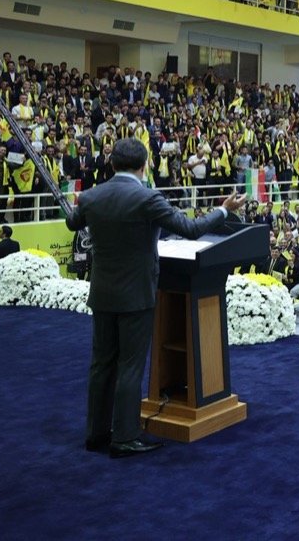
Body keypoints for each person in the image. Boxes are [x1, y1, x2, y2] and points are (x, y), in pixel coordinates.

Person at [65, 137, 245, 459]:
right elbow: (191, 229)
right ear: (144, 165)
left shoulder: (91, 196)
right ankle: (124, 437)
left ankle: (95, 433)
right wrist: (223, 210)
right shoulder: (147, 198)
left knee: (101, 364)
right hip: (136, 294)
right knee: (130, 367)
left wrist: (78, 205)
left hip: (103, 293)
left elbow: (72, 222)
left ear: (111, 163)